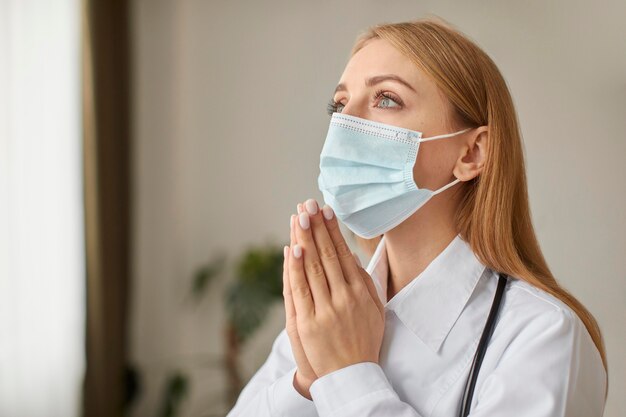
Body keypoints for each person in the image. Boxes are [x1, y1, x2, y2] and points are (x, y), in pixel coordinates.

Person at [225, 17, 608, 417]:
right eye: (338, 105)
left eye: (386, 99)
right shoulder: (327, 311)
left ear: (471, 154)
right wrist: (307, 382)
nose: (344, 122)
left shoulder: (543, 336)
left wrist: (346, 375)